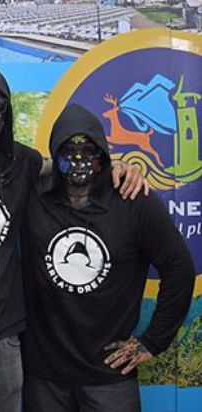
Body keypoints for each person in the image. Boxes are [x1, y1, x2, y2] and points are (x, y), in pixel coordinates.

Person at [0, 64, 147, 412]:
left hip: (4, 342)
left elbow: (69, 163)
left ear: (6, 112)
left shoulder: (21, 162)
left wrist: (114, 165)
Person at [21, 104, 195, 412]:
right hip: (45, 375)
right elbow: (0, 166)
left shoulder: (131, 199)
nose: (78, 160)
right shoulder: (32, 195)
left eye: (88, 151)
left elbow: (179, 268)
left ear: (102, 154)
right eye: (68, 151)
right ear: (55, 153)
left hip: (109, 376)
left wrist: (153, 341)